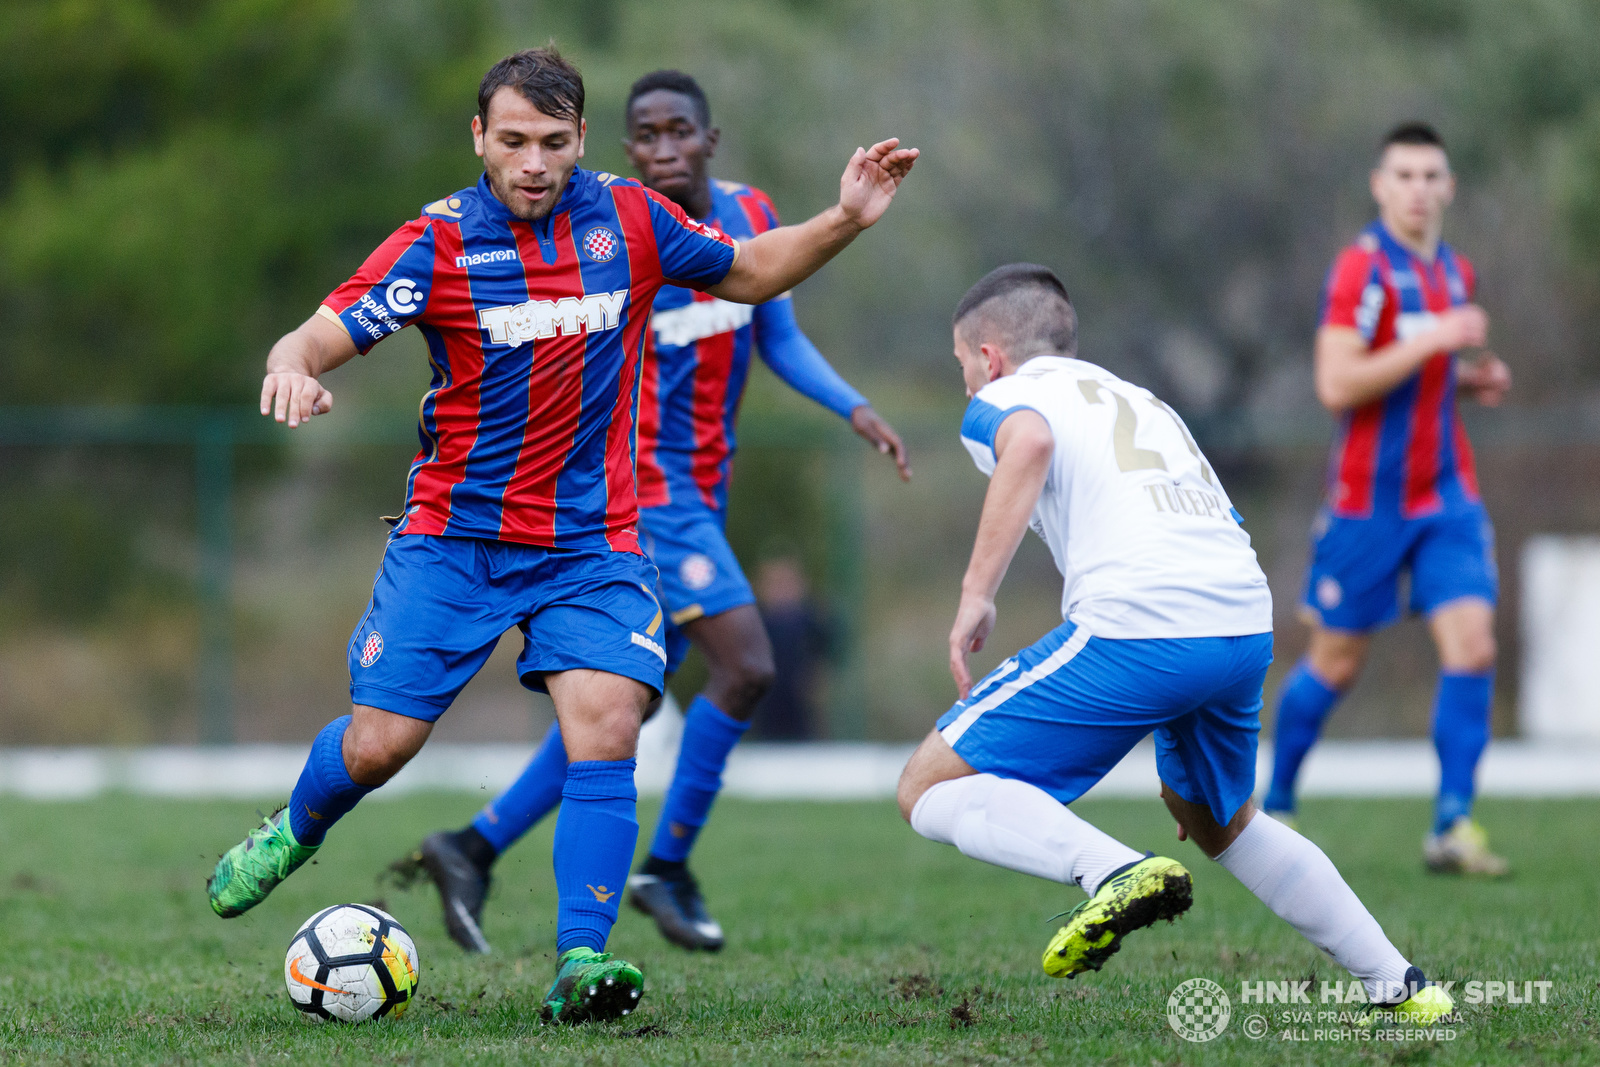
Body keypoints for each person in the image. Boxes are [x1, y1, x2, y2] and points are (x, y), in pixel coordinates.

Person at [205, 47, 917, 1026]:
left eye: (551, 141)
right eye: (512, 142)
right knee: (378, 747)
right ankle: (295, 824)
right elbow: (316, 333)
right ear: (479, 140)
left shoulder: (629, 218)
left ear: (581, 138)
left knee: (610, 725)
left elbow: (748, 271)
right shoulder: (438, 243)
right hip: (454, 539)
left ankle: (581, 959)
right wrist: (292, 368)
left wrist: (842, 218)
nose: (533, 162)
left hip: (591, 542)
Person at [404, 70, 910, 957]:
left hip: (705, 491)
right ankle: (665, 865)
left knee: (617, 710)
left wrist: (852, 406)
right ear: (625, 151)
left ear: (711, 142)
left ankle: (472, 844)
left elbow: (775, 331)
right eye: (647, 138)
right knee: (748, 665)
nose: (664, 150)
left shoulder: (747, 217)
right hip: (643, 496)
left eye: (681, 133)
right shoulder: (633, 248)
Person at [896, 263, 1453, 1025]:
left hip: (1141, 623)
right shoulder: (1140, 398)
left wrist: (975, 594)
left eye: (963, 367)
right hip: (1238, 621)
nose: (967, 384)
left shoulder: (1005, 398)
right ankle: (1404, 985)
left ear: (989, 357)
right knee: (1223, 820)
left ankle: (1113, 869)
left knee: (924, 786)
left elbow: (1025, 444)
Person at [1261, 123, 1512, 876]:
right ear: (1379, 185)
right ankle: (1273, 805)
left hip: (1446, 498)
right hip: (1367, 504)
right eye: (1402, 175)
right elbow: (1338, 383)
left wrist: (1468, 379)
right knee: (1334, 665)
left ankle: (1452, 825)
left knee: (1474, 646)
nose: (1417, 189)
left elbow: (1415, 374)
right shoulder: (1361, 272)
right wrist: (1435, 340)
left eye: (1430, 175)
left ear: (1449, 187)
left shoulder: (1454, 272)